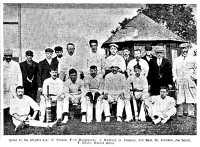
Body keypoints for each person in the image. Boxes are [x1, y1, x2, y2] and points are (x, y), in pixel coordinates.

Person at [173, 43, 197, 117]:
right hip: (180, 79)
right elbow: (174, 70)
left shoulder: (192, 59)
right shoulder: (177, 60)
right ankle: (180, 112)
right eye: (183, 49)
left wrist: (194, 77)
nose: (184, 50)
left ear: (188, 49)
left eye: (186, 49)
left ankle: (191, 113)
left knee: (191, 95)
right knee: (180, 95)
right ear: (180, 50)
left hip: (189, 79)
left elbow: (197, 69)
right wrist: (175, 78)